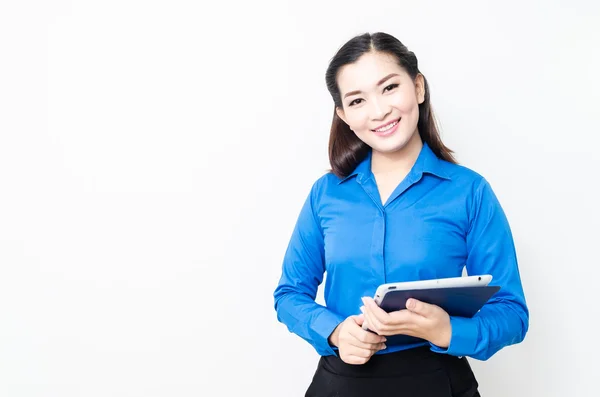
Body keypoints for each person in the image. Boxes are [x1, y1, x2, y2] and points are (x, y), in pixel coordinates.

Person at [273, 32, 529, 397]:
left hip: (437, 382)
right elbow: (289, 294)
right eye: (358, 100)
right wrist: (334, 331)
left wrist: (446, 331)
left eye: (389, 88)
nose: (379, 111)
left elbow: (512, 313)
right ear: (344, 116)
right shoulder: (325, 194)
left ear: (418, 87)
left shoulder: (470, 191)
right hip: (340, 383)